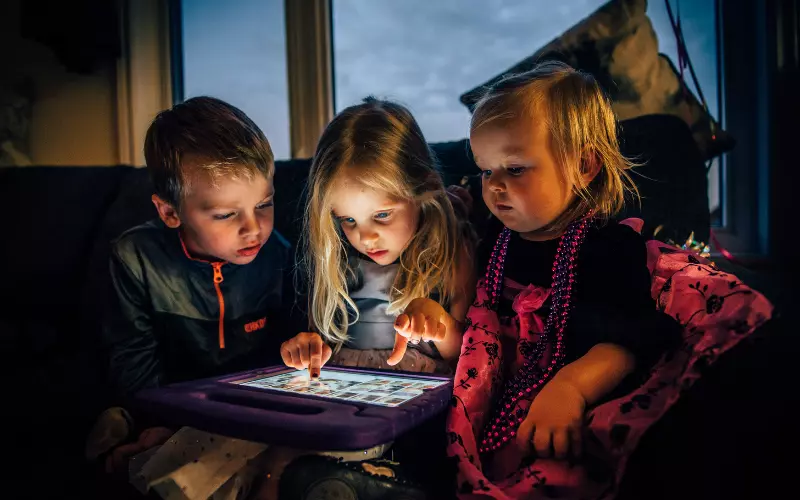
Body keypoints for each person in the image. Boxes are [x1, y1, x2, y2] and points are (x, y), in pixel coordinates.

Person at [89, 96, 301, 478]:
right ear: (170, 212)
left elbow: (281, 360)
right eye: (225, 214)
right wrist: (156, 419)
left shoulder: (278, 256)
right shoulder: (134, 258)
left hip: (245, 406)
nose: (253, 228)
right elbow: (133, 361)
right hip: (168, 398)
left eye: (264, 204)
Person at [280, 97, 476, 376]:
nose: (366, 237)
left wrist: (439, 323)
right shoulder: (336, 256)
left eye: (382, 215)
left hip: (420, 399)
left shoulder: (452, 250)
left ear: (424, 190)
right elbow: (323, 338)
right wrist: (308, 348)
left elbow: (468, 353)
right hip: (345, 391)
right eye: (348, 220)